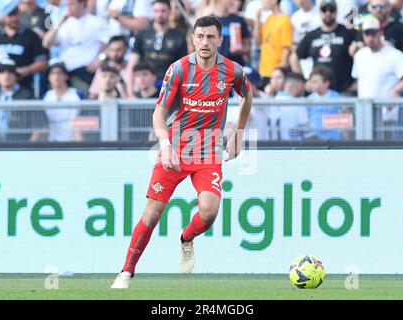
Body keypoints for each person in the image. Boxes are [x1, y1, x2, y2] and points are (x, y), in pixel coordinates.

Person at [111, 15, 253, 289]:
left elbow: (247, 96)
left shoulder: (233, 71)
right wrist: (165, 146)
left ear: (220, 41)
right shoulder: (178, 70)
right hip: (176, 147)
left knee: (210, 212)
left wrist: (239, 133)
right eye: (200, 36)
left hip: (209, 148)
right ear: (193, 38)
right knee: (152, 214)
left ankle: (186, 238)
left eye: (211, 37)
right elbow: (159, 112)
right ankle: (126, 272)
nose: (205, 42)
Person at [352, 16, 403, 138]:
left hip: (388, 114)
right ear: (363, 35)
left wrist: (396, 90)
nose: (370, 38)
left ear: (380, 33)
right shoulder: (359, 56)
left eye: (374, 34)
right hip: (366, 114)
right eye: (367, 34)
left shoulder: (394, 54)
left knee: (391, 150)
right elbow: (359, 82)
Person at [42, 0, 109, 96]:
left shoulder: (97, 22)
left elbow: (110, 44)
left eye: (72, 4)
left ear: (82, 4)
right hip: (64, 74)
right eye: (68, 4)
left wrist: (100, 58)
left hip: (84, 73)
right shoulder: (63, 24)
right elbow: (46, 43)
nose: (69, 7)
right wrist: (59, 22)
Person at [290, 0, 358, 93]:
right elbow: (294, 58)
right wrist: (304, 81)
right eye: (324, 10)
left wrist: (357, 81)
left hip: (344, 92)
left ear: (337, 12)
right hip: (319, 93)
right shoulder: (312, 35)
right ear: (319, 13)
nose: (328, 13)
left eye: (331, 10)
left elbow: (366, 52)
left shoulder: (348, 33)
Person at [125, 0, 188, 98]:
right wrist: (130, 92)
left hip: (168, 87)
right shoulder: (142, 35)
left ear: (169, 11)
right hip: (144, 86)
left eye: (163, 11)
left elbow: (183, 68)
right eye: (156, 11)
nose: (160, 14)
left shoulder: (178, 37)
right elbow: (132, 63)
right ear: (152, 12)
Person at [0, 4, 48, 95]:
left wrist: (26, 70)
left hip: (23, 89)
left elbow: (43, 63)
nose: (13, 19)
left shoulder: (31, 36)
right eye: (10, 15)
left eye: (16, 15)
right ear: (3, 17)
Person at [39, 59, 84, 142]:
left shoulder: (77, 94)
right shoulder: (45, 96)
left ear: (66, 76)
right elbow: (42, 124)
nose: (56, 76)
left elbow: (85, 119)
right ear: (48, 77)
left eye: (59, 73)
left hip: (75, 142)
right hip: (51, 142)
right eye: (52, 73)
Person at [253, 0, 293, 89]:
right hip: (264, 71)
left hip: (276, 72)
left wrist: (281, 72)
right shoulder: (269, 19)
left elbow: (286, 48)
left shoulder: (285, 20)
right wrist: (257, 18)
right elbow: (257, 41)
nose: (262, 2)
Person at [307, 65, 346, 140]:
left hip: (334, 139)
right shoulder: (309, 99)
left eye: (315, 82)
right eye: (311, 82)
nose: (312, 84)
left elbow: (344, 120)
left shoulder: (337, 98)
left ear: (326, 83)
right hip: (315, 140)